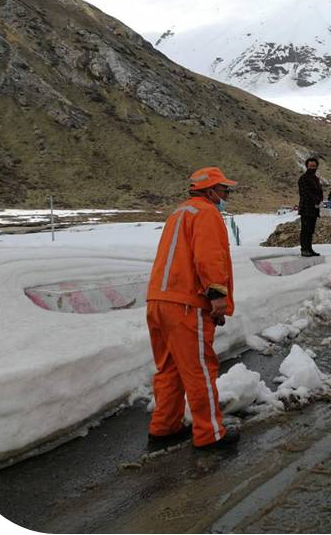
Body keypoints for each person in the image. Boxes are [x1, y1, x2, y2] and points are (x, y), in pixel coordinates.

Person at [145, 167, 240, 452]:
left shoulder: (178, 214)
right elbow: (209, 257)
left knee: (169, 368)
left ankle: (165, 426)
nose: (226, 195)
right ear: (210, 191)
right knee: (199, 369)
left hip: (158, 302)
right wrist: (217, 296)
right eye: (224, 190)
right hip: (185, 304)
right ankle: (210, 434)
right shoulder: (207, 213)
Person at [298, 156, 324, 257]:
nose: (312, 168)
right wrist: (316, 201)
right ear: (307, 166)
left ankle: (309, 248)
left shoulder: (316, 179)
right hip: (306, 208)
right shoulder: (303, 178)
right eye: (310, 166)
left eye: (314, 166)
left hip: (314, 209)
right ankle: (304, 249)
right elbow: (305, 193)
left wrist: (320, 200)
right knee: (305, 229)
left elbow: (319, 192)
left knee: (311, 230)